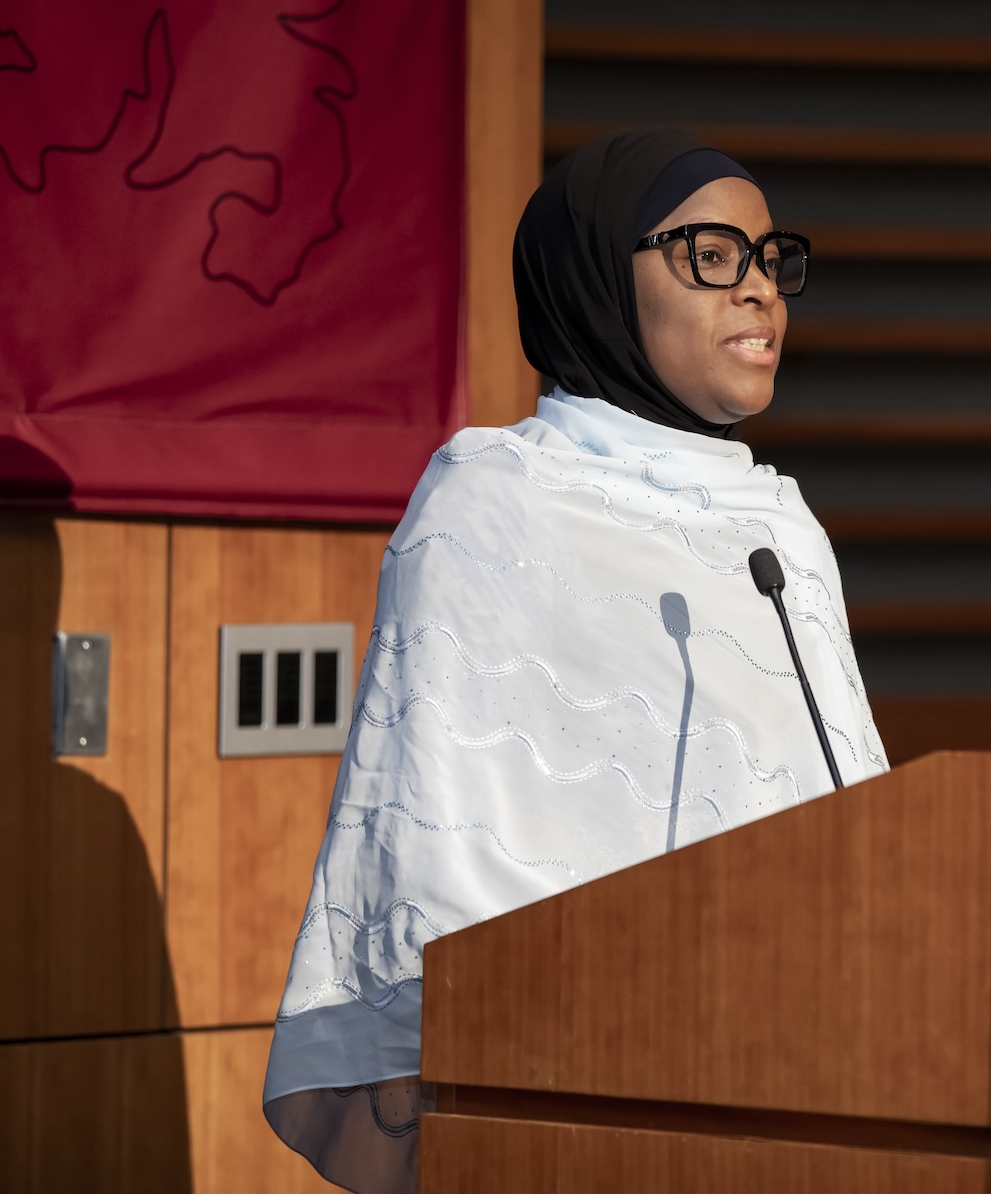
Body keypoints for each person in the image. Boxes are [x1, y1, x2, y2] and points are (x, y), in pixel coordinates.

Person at [260, 129, 888, 1193]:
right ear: (597, 276)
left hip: (792, 1076)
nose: (758, 293)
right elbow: (439, 846)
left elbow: (853, 816)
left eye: (768, 259)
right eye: (710, 256)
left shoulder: (778, 527)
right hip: (575, 1089)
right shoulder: (491, 499)